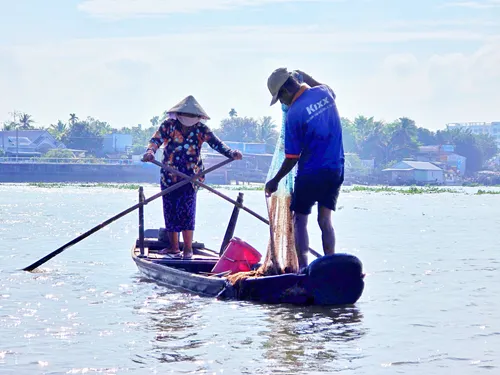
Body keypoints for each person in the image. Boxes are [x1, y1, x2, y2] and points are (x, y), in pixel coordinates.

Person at [143, 95, 242, 259]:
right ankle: (174, 247)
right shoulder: (169, 125)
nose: (189, 119)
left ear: (198, 117)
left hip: (191, 177)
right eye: (186, 116)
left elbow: (217, 144)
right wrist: (150, 152)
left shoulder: (201, 129)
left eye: (193, 116)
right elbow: (156, 140)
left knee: (187, 211)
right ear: (179, 114)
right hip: (169, 175)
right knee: (170, 209)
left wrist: (232, 153)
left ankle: (187, 249)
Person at [264, 68, 345, 269]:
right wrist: (303, 75)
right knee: (325, 220)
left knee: (300, 220)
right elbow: (317, 84)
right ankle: (330, 264)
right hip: (335, 169)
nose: (282, 103)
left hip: (310, 172)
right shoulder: (325, 93)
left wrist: (274, 180)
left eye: (280, 98)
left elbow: (292, 157)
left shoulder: (294, 113)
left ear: (285, 91)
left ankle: (303, 269)